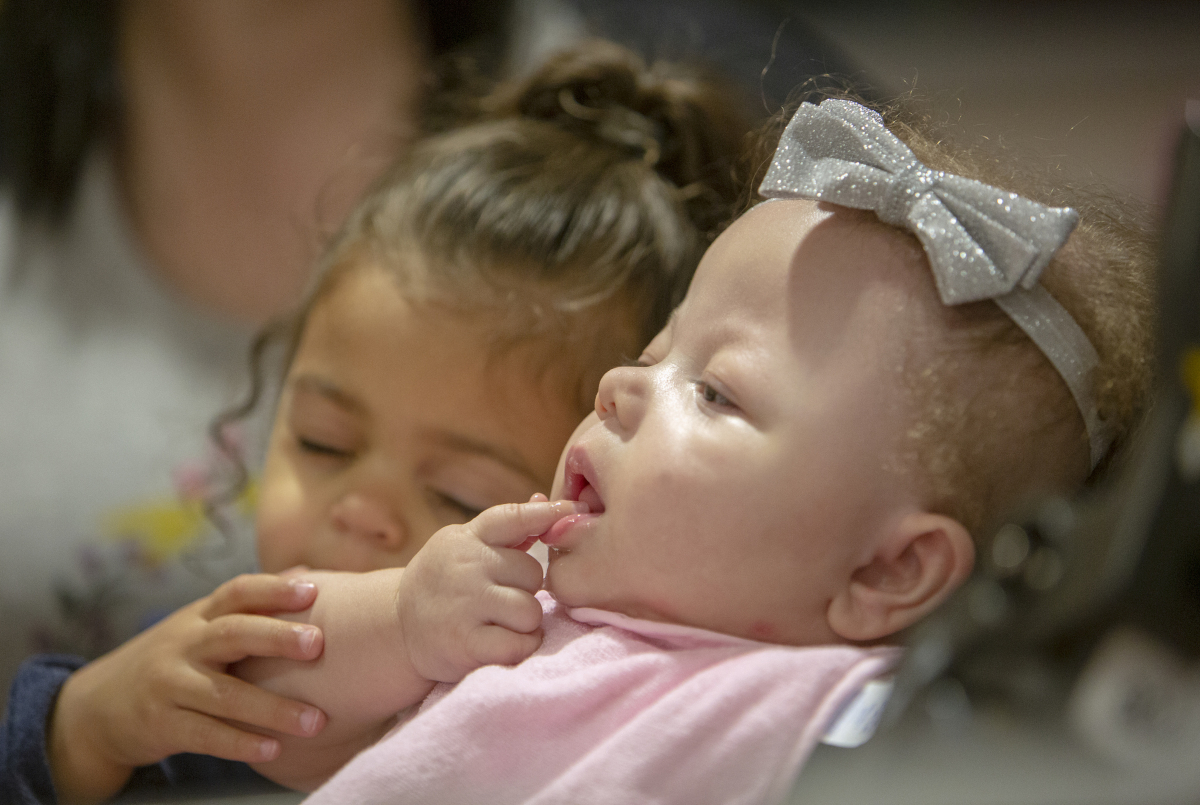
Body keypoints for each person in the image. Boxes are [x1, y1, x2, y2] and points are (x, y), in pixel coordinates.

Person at [237, 96, 1154, 803]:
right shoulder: (517, 602)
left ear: (888, 570)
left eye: (713, 391)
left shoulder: (840, 714)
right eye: (654, 351)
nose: (621, 386)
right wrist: (403, 621)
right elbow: (252, 695)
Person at [0, 41, 752, 804]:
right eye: (323, 442)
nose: (359, 512)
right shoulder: (202, 674)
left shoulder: (610, 737)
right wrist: (83, 726)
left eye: (460, 496)